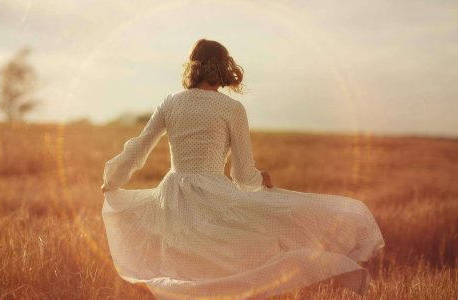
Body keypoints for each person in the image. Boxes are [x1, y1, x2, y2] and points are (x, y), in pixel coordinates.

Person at [101, 38, 385, 299]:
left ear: (191, 67)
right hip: (212, 194)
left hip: (172, 198)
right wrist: (262, 179)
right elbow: (242, 175)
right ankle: (338, 265)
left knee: (182, 269)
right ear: (225, 68)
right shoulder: (231, 109)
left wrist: (113, 179)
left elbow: (140, 145)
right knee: (245, 259)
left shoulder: (170, 102)